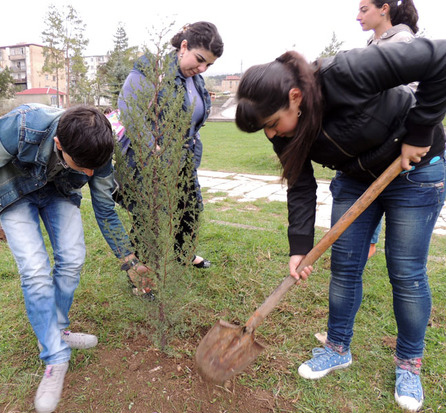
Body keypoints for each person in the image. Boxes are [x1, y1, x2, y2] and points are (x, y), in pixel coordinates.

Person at [235, 39, 446, 411]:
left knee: (406, 272)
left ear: (295, 96)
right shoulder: (285, 131)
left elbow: (438, 57)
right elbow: (299, 186)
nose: (272, 135)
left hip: (414, 168)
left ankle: (409, 363)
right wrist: (299, 246)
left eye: (271, 124)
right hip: (355, 179)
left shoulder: (346, 72)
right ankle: (336, 348)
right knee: (345, 269)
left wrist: (420, 131)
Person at [0, 103, 142, 413]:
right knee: (34, 269)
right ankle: (55, 357)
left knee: (72, 258)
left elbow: (104, 207)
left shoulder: (97, 151)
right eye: (82, 165)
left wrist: (130, 261)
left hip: (58, 190)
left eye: (93, 168)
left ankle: (57, 331)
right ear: (59, 143)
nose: (89, 174)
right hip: (12, 189)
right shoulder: (19, 126)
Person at [117, 21, 224, 275]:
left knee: (190, 209)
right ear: (183, 46)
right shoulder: (151, 69)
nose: (202, 68)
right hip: (151, 161)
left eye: (208, 65)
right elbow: (128, 111)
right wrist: (152, 150)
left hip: (184, 159)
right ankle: (140, 271)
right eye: (199, 60)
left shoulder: (194, 79)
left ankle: (183, 254)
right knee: (150, 217)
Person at [357, 0, 420, 258]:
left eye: (363, 10)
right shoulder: (374, 43)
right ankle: (367, 246)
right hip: (374, 139)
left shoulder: (402, 40)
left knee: (405, 261)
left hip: (397, 141)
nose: (357, 16)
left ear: (384, 9)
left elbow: (411, 94)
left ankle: (371, 246)